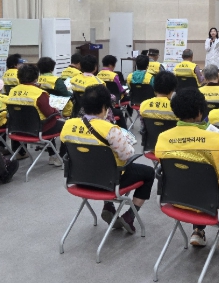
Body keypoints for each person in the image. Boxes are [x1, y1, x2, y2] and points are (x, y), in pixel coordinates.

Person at [61, 85, 155, 234]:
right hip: (109, 182)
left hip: (79, 180)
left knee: (99, 163)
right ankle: (129, 216)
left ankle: (108, 206)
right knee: (148, 172)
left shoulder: (68, 125)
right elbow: (126, 155)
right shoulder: (110, 129)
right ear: (105, 107)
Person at [155, 88, 219, 252]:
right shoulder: (214, 140)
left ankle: (198, 231)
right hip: (209, 202)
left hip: (177, 198)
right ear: (200, 112)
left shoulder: (163, 137)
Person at [7, 64, 66, 166]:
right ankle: (59, 157)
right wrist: (55, 110)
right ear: (36, 77)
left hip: (18, 129)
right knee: (64, 125)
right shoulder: (39, 93)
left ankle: (53, 155)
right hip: (37, 129)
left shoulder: (13, 91)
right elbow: (49, 113)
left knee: (47, 121)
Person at [139, 71, 177, 148]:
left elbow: (143, 127)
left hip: (150, 146)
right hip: (171, 147)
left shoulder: (144, 105)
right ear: (172, 89)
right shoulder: (177, 108)